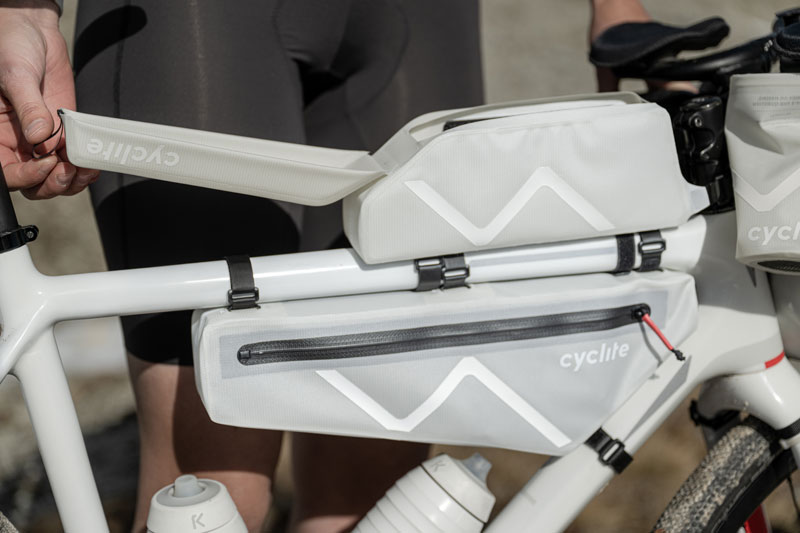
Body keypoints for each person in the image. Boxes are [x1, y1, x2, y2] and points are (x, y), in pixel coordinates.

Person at [0, 0, 652, 531]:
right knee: (211, 500)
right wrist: (22, 9)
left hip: (421, 20)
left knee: (378, 509)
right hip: (195, 19)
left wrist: (617, 5)